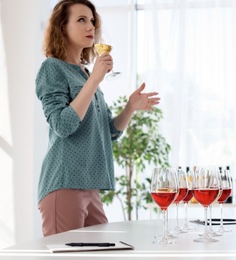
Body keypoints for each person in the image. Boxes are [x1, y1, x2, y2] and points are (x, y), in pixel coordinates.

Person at [36, 0, 160, 237]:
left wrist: (130, 107)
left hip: (90, 186)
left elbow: (108, 133)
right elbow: (62, 125)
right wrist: (94, 79)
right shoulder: (52, 69)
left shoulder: (84, 73)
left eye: (92, 20)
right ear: (62, 27)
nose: (90, 26)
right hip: (64, 182)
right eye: (81, 20)